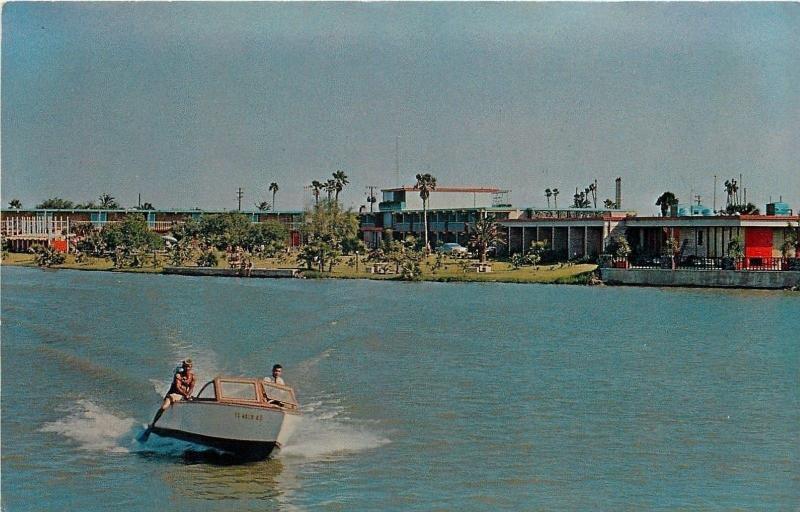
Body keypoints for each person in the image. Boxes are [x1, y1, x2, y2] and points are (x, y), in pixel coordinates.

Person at [150, 359, 195, 427]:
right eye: (185, 366)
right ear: (183, 367)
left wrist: (188, 395)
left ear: (191, 367)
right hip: (172, 395)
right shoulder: (178, 375)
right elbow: (178, 387)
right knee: (164, 407)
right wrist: (186, 395)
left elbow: (191, 388)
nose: (187, 368)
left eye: (189, 366)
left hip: (183, 396)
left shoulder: (192, 377)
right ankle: (153, 424)